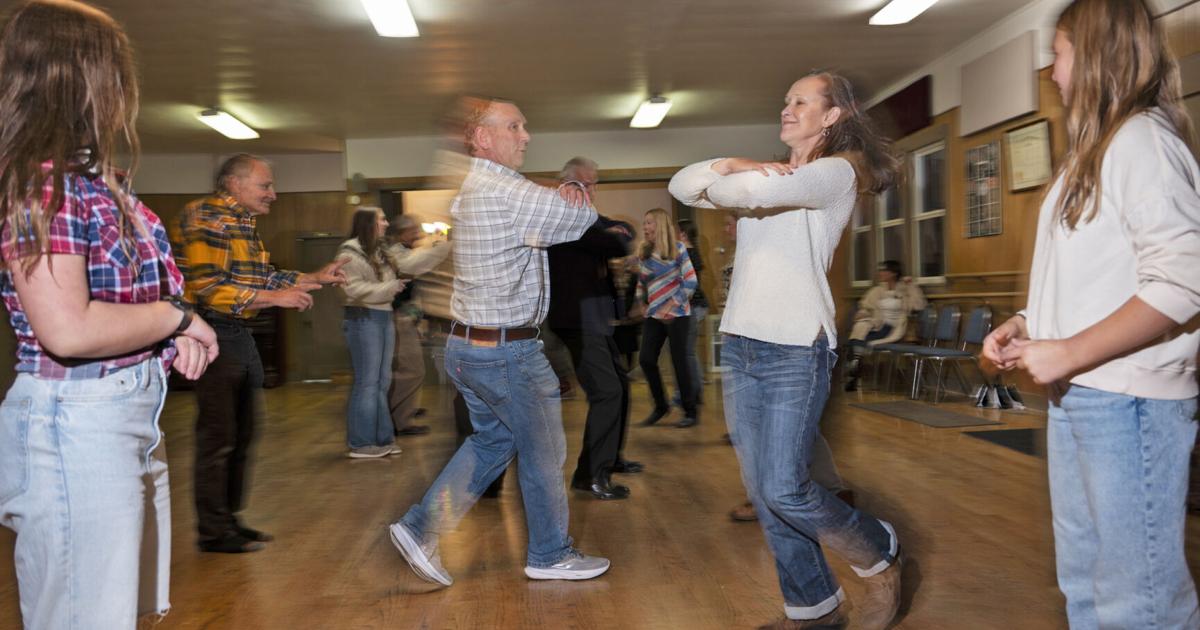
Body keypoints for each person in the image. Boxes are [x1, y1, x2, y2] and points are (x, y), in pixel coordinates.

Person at [0, 2, 218, 626]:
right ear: (79, 76)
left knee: (115, 609)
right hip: (77, 424)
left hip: (123, 416)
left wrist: (166, 327)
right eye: (115, 71)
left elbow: (134, 292)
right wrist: (177, 321)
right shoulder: (44, 184)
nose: (124, 89)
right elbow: (67, 329)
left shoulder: (97, 180)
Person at [983, 1, 1200, 626]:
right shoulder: (1092, 151)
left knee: (1140, 594)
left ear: (1098, 54)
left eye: (1059, 54)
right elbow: (1096, 274)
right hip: (1082, 393)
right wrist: (1029, 323)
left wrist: (1070, 351)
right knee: (1085, 580)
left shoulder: (1143, 141)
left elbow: (1185, 277)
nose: (1051, 72)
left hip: (1128, 400)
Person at [669, 70, 904, 629]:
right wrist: (734, 165)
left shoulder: (834, 173)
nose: (787, 109)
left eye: (801, 101)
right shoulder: (781, 172)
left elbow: (749, 194)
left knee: (784, 487)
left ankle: (879, 546)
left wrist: (732, 175)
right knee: (763, 491)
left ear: (832, 116)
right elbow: (683, 186)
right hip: (744, 341)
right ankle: (814, 608)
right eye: (785, 100)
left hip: (797, 346)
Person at [388, 97, 609, 587]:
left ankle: (420, 527)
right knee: (544, 451)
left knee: (493, 441)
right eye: (515, 126)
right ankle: (550, 554)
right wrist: (574, 189)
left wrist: (560, 192)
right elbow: (577, 221)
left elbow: (546, 224)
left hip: (470, 348)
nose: (526, 135)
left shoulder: (481, 186)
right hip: (507, 351)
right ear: (482, 138)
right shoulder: (503, 187)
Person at [171, 154, 347, 553]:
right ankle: (214, 530)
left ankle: (228, 519)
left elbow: (262, 276)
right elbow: (208, 287)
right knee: (219, 437)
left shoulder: (242, 221)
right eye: (265, 186)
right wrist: (275, 298)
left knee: (243, 432)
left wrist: (312, 277)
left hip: (236, 330)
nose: (274, 194)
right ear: (234, 183)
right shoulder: (207, 216)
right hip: (210, 330)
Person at [547, 157, 643, 501]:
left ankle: (609, 459)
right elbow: (615, 242)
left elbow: (624, 231)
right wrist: (613, 234)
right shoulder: (565, 216)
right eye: (583, 184)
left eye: (593, 183)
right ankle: (591, 475)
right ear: (566, 186)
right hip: (577, 318)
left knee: (619, 385)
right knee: (607, 391)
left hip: (594, 317)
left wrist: (615, 231)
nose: (590, 190)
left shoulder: (587, 217)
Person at [337, 207, 408, 458]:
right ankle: (362, 442)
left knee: (382, 381)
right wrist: (390, 287)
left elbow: (407, 265)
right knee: (368, 381)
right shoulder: (350, 252)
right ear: (368, 223)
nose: (387, 223)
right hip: (363, 317)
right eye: (382, 219)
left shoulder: (378, 250)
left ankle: (382, 438)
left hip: (382, 315)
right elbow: (352, 289)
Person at [382, 214, 451, 436]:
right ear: (401, 233)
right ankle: (400, 419)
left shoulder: (400, 251)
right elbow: (414, 265)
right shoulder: (395, 253)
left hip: (403, 317)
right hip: (396, 317)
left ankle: (403, 410)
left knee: (407, 369)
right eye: (413, 231)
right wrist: (447, 246)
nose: (419, 235)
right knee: (411, 370)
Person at [635, 208, 700, 428]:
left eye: (649, 223)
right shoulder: (645, 252)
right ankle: (661, 406)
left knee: (679, 361)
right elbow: (641, 283)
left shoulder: (678, 249)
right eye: (644, 224)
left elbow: (690, 281)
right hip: (654, 314)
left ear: (661, 225)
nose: (645, 227)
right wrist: (641, 302)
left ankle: (690, 410)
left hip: (678, 314)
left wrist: (673, 303)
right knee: (646, 359)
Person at [844, 259, 927, 391]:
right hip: (877, 324)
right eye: (880, 270)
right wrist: (862, 313)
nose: (881, 273)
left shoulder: (905, 289)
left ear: (893, 273)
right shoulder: (877, 290)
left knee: (858, 340)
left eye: (884, 270)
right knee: (859, 330)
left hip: (894, 328)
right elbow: (866, 306)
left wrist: (912, 286)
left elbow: (918, 305)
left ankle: (853, 367)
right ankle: (854, 368)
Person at [675, 218, 710, 408]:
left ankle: (693, 393)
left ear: (683, 234)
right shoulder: (689, 252)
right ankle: (688, 392)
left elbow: (689, 285)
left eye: (675, 231)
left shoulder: (688, 254)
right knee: (686, 351)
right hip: (693, 307)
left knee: (686, 352)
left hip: (693, 307)